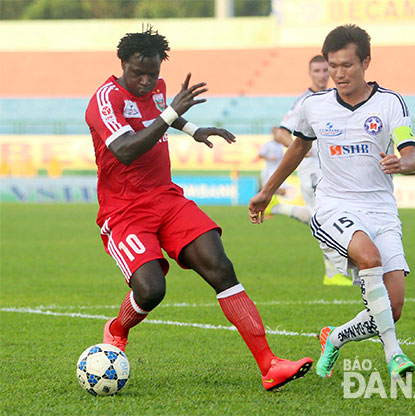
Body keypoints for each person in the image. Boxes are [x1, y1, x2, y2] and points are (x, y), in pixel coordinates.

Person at [85, 26, 312, 392]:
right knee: (151, 290)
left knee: (220, 266)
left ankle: (270, 364)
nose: (146, 82)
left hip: (166, 197)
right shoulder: (104, 100)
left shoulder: (157, 90)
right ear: (122, 62)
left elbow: (161, 114)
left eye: (153, 74)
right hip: (124, 210)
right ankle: (117, 329)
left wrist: (193, 129)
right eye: (137, 73)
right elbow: (125, 149)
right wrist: (171, 113)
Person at [249, 24, 415, 381]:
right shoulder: (314, 106)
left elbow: (410, 155)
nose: (339, 74)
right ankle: (394, 351)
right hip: (333, 206)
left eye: (347, 65)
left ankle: (335, 337)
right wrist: (267, 191)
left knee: (394, 305)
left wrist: (401, 163)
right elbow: (297, 148)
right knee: (369, 257)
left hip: (381, 208)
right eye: (333, 65)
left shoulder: (390, 103)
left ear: (366, 62)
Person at [272, 55, 352, 286]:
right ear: (310, 73)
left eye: (326, 70)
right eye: (317, 71)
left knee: (324, 216)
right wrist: (299, 148)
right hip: (311, 171)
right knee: (325, 218)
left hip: (330, 170)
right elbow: (280, 132)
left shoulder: (331, 98)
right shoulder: (305, 101)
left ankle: (279, 208)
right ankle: (333, 272)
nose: (322, 75)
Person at [258, 127, 286, 196]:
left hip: (279, 170)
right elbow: (260, 154)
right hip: (269, 170)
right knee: (268, 189)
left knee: (281, 190)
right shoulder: (269, 145)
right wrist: (269, 158)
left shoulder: (282, 145)